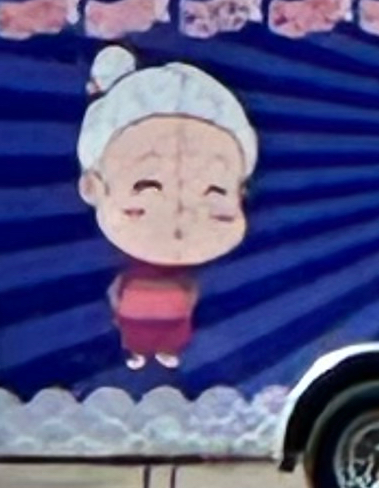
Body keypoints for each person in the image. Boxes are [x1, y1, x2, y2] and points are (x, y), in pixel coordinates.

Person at [76, 43, 258, 370]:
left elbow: (180, 289)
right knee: (139, 333)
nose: (178, 219)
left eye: (216, 198)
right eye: (142, 198)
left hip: (168, 313)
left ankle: (164, 350)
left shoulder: (170, 274)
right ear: (92, 187)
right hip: (139, 311)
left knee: (170, 333)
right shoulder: (134, 269)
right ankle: (138, 350)